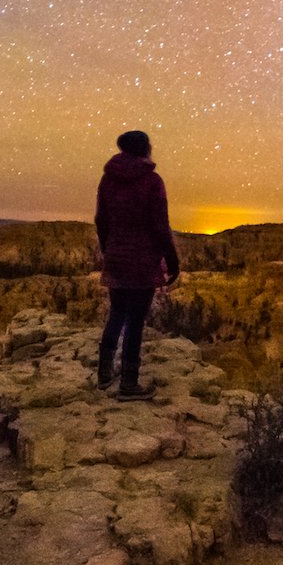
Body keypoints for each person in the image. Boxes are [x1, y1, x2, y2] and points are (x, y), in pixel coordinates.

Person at [93, 129, 180, 399]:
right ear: (144, 148)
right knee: (136, 320)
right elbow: (160, 225)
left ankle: (104, 374)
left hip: (117, 257)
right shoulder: (152, 181)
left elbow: (100, 220)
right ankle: (129, 383)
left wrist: (109, 249)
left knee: (117, 312)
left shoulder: (108, 180)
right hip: (144, 260)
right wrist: (172, 259)